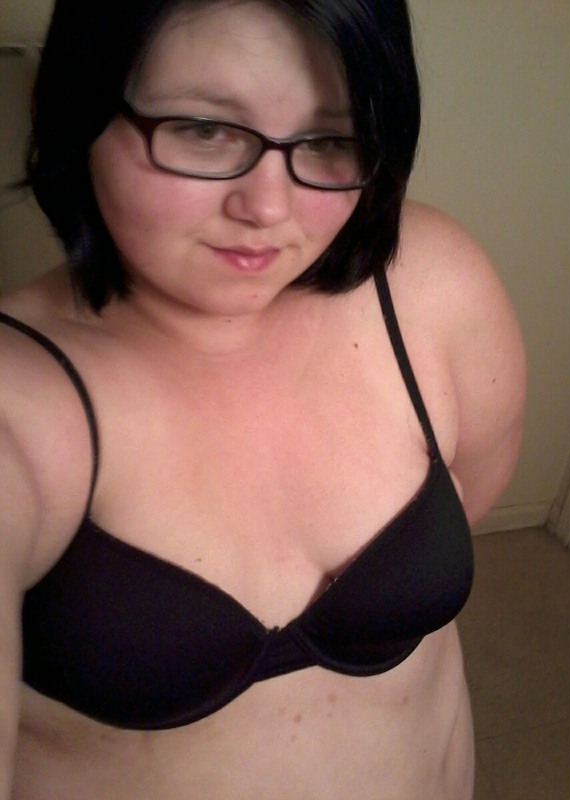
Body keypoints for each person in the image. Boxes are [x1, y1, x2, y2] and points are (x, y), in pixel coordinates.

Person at [0, 0, 526, 797]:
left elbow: (471, 501)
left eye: (328, 140)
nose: (268, 208)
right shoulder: (21, 400)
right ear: (82, 109)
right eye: (205, 130)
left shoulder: (429, 287)